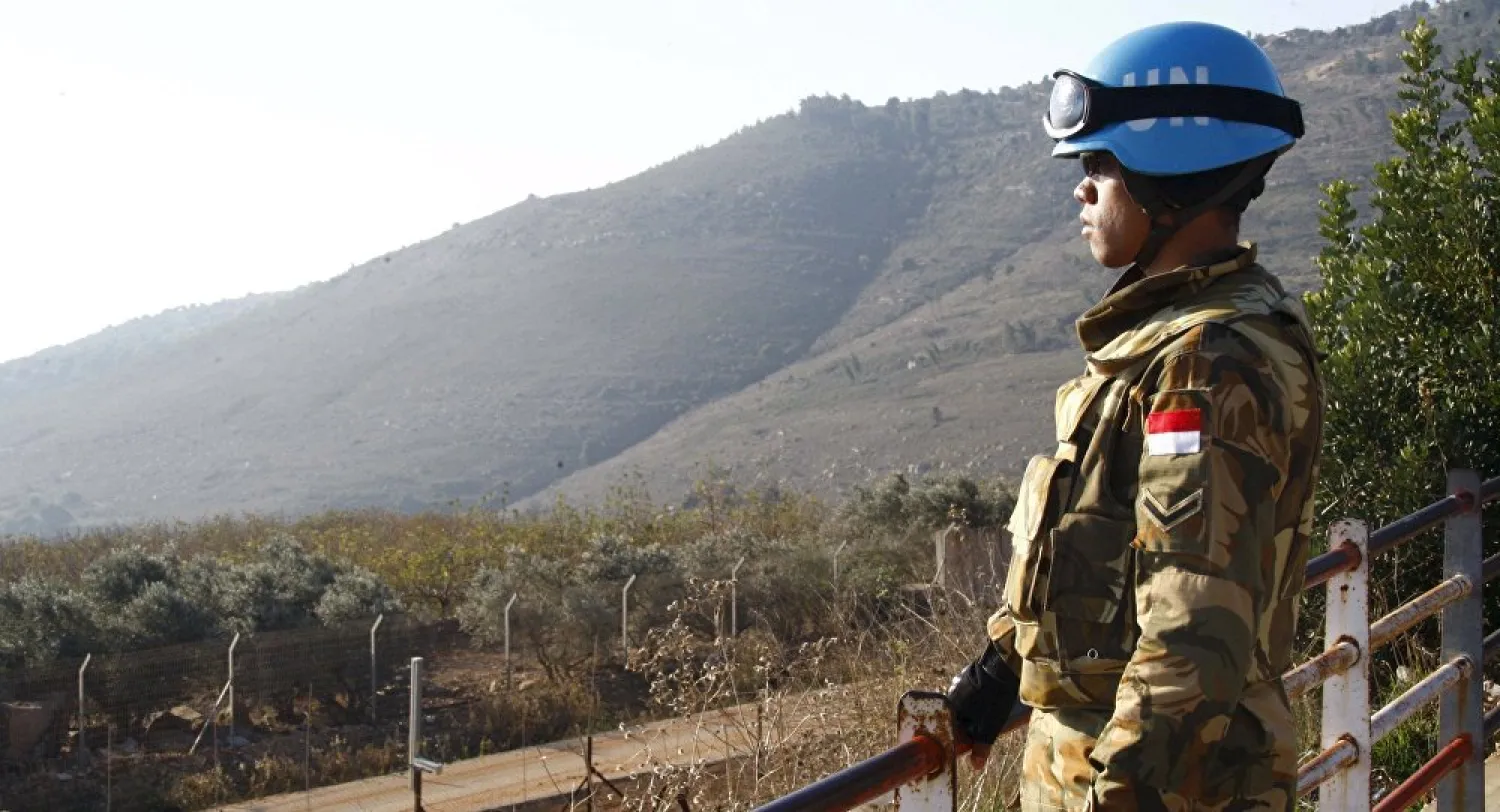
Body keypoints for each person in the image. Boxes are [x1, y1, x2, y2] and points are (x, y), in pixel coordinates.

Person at [946, 21, 1326, 811]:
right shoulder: (1169, 340)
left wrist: (1119, 800)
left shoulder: (1206, 363)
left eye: (1100, 164)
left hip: (1157, 787)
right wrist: (1002, 667)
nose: (1081, 189)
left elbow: (1190, 640)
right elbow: (1098, 551)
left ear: (1173, 177)